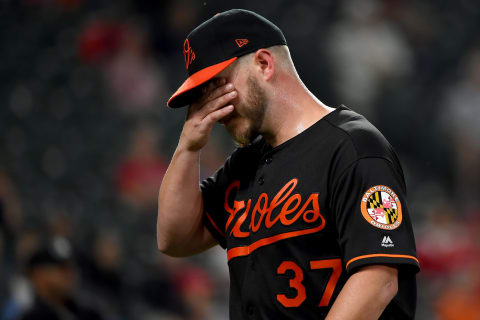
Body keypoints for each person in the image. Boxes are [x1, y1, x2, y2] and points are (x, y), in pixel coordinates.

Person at [157, 9, 419, 320]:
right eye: (204, 95)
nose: (213, 106)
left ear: (264, 64)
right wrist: (188, 147)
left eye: (219, 85)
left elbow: (377, 280)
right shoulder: (244, 166)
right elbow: (174, 238)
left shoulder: (355, 148)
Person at [20, 239, 103, 320]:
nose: (70, 273)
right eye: (62, 268)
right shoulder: (30, 316)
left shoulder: (87, 314)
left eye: (72, 267)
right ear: (38, 275)